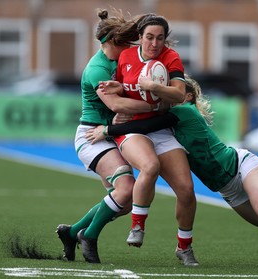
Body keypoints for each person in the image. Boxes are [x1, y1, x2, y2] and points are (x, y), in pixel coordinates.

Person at [89, 75, 258, 254]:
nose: (163, 94)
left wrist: (108, 130)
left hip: (241, 165)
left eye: (169, 89)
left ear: (187, 95)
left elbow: (146, 124)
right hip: (226, 189)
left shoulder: (184, 112)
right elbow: (147, 123)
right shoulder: (168, 124)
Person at [55, 9, 159, 264]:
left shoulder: (120, 60)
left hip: (113, 134)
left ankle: (72, 232)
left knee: (124, 202)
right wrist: (155, 106)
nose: (129, 47)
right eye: (125, 42)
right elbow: (117, 105)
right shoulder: (97, 70)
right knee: (126, 189)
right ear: (110, 41)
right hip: (93, 136)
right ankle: (88, 236)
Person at [98, 13, 199, 266]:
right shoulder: (126, 56)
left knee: (186, 190)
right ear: (140, 38)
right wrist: (116, 88)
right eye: (150, 38)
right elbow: (124, 87)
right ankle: (138, 225)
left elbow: (177, 94)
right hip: (131, 128)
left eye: (160, 38)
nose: (155, 44)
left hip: (159, 129)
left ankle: (184, 247)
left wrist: (153, 86)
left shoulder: (171, 57)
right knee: (150, 165)